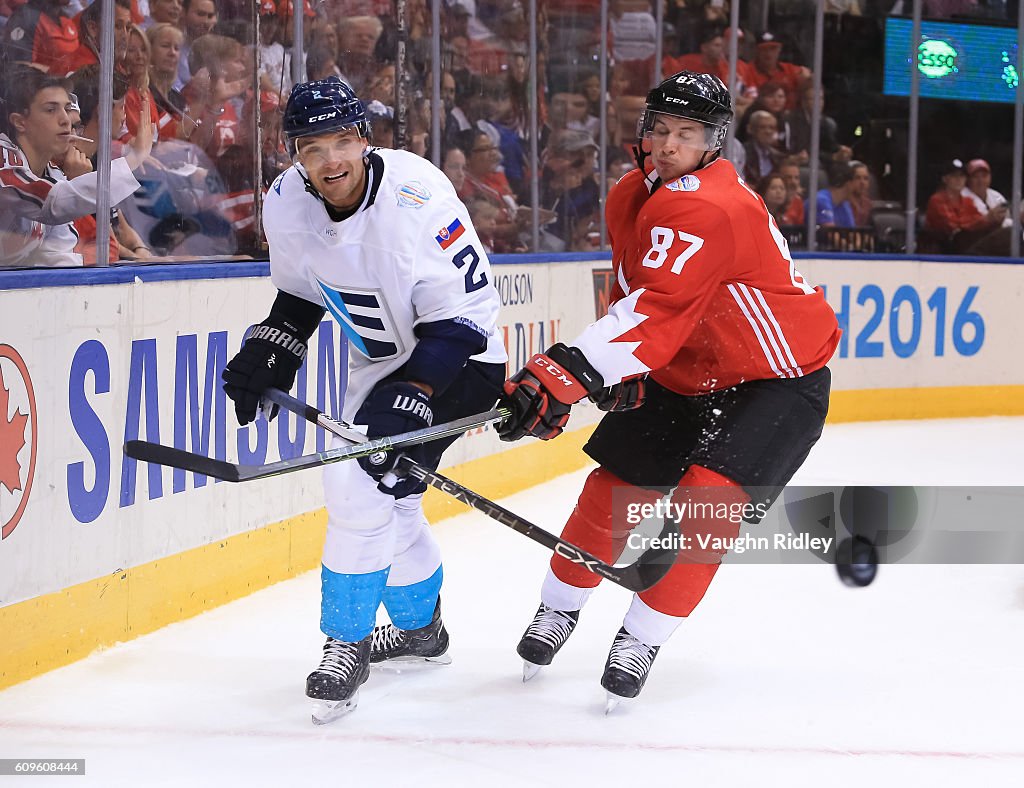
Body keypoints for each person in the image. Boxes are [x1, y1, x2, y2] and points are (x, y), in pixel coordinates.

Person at [496, 71, 840, 706]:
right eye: (661, 129)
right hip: (685, 366)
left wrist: (565, 372)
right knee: (611, 493)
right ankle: (558, 608)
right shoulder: (633, 190)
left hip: (777, 380)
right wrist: (622, 369)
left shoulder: (707, 204)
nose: (670, 144)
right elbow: (634, 291)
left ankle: (642, 635)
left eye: (688, 133)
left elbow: (653, 310)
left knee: (707, 508)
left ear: (713, 142)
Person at [220, 77, 507, 722]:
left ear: (365, 140)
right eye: (312, 147)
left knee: (355, 490)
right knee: (393, 493)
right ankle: (417, 628)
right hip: (376, 367)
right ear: (293, 151)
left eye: (343, 141)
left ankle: (344, 644)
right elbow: (301, 296)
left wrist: (414, 391)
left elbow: (466, 315)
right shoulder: (287, 202)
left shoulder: (417, 193)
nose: (331, 162)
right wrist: (274, 348)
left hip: (458, 362)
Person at [0, 65, 152, 267]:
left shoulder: (53, 175)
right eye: (51, 109)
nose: (65, 120)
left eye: (65, 108)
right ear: (20, 122)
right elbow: (55, 204)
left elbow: (58, 255)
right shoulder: (4, 160)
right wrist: (134, 158)